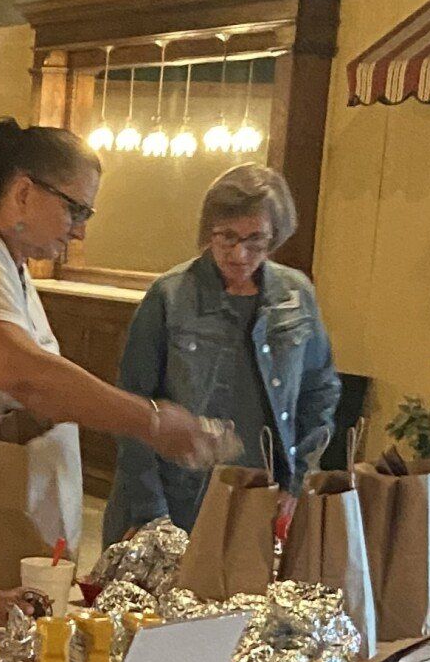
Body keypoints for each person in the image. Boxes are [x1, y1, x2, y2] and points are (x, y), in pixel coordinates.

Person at [0, 118, 220, 588]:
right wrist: (151, 421)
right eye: (76, 210)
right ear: (23, 192)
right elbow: (21, 372)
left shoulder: (6, 259)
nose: (80, 232)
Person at [105, 163, 341, 542]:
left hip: (261, 497)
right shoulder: (170, 296)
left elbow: (320, 392)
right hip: (177, 496)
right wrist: (151, 513)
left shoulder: (296, 295)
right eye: (226, 237)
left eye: (256, 240)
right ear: (207, 232)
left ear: (275, 237)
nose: (240, 253)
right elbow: (132, 409)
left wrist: (297, 483)